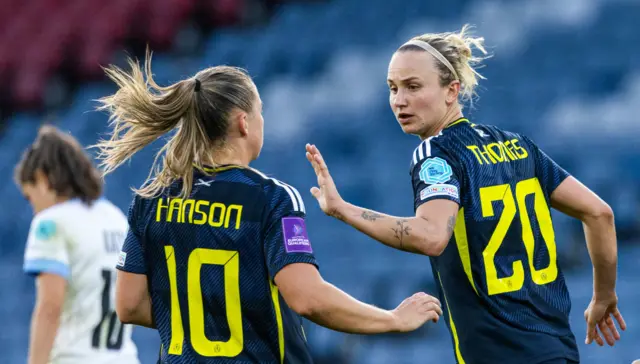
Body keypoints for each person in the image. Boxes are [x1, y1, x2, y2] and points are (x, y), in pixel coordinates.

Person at [304, 25, 626, 364]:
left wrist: (342, 209)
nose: (399, 100)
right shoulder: (518, 146)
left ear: (451, 90)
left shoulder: (438, 153)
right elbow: (599, 213)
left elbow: (430, 236)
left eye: (413, 87)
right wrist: (603, 295)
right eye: (393, 88)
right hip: (557, 351)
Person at [94, 53, 443, 363]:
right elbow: (307, 298)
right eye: (260, 112)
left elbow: (129, 305)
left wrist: (209, 315)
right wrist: (392, 319)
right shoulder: (271, 198)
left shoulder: (150, 201)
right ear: (243, 122)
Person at [15, 126, 140, 364]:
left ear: (42, 179)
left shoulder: (50, 223)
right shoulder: (116, 218)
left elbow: (50, 306)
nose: (33, 209)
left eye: (30, 197)